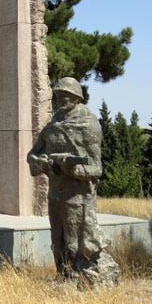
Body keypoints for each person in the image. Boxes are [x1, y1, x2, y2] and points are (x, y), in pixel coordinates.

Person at [27, 77, 119, 287]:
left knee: (73, 242)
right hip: (55, 193)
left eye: (65, 96)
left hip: (77, 196)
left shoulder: (88, 124)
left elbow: (97, 168)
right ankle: (63, 276)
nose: (60, 100)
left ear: (77, 97)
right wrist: (39, 161)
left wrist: (74, 169)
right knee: (56, 241)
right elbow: (32, 154)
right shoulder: (53, 124)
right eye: (58, 96)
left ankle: (78, 278)